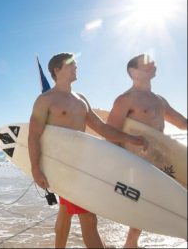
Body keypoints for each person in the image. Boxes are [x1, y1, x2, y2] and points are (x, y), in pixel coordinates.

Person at [28, 52, 148, 248]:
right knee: (89, 219)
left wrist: (130, 139)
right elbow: (33, 136)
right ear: (57, 70)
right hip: (63, 167)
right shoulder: (45, 100)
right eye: (71, 65)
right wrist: (35, 168)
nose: (76, 67)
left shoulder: (80, 98)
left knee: (65, 213)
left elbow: (101, 128)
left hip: (81, 164)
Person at [107, 53, 187, 248]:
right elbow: (110, 132)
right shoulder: (125, 99)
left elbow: (182, 123)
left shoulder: (159, 100)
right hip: (138, 162)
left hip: (162, 159)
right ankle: (131, 243)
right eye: (146, 64)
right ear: (133, 72)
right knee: (142, 205)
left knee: (180, 198)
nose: (153, 64)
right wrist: (116, 166)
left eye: (153, 62)